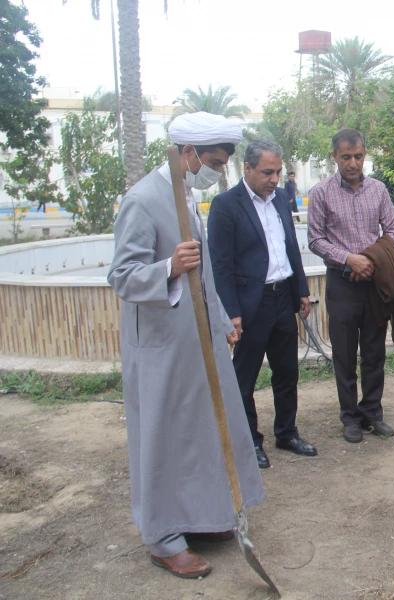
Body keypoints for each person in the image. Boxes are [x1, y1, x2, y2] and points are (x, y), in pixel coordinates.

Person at [107, 112, 264, 579]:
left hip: (198, 343)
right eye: (213, 161)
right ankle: (161, 536)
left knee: (196, 434)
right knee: (161, 437)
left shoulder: (189, 198)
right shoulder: (142, 199)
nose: (217, 171)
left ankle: (197, 516)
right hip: (160, 348)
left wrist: (220, 320)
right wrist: (169, 268)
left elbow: (205, 274)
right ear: (187, 154)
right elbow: (122, 277)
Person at [207, 140, 316, 469]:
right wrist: (232, 313)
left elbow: (290, 247)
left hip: (283, 298)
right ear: (248, 168)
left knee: (287, 373)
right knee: (245, 378)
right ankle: (249, 441)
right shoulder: (226, 205)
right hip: (250, 305)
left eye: (279, 172)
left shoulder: (281, 197)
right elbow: (221, 265)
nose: (274, 178)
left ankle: (287, 432)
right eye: (268, 172)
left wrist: (301, 290)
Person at [308, 128, 394, 443]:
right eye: (346, 157)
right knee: (345, 354)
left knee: (374, 352)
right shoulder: (321, 192)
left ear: (365, 155)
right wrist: (349, 259)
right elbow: (315, 240)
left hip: (373, 283)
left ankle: (372, 412)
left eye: (358, 156)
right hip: (341, 284)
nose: (353, 163)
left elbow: (391, 231)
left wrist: (371, 261)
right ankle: (349, 417)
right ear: (334, 156)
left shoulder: (378, 190)